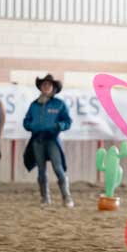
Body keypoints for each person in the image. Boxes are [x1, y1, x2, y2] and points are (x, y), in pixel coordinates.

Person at [22, 74, 74, 208]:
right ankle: (45, 198)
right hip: (37, 139)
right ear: (40, 87)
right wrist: (32, 126)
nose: (46, 87)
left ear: (53, 88)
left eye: (49, 85)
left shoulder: (59, 104)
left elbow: (67, 121)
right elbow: (26, 121)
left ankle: (67, 197)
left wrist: (59, 126)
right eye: (44, 84)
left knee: (58, 168)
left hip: (52, 139)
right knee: (41, 170)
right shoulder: (34, 105)